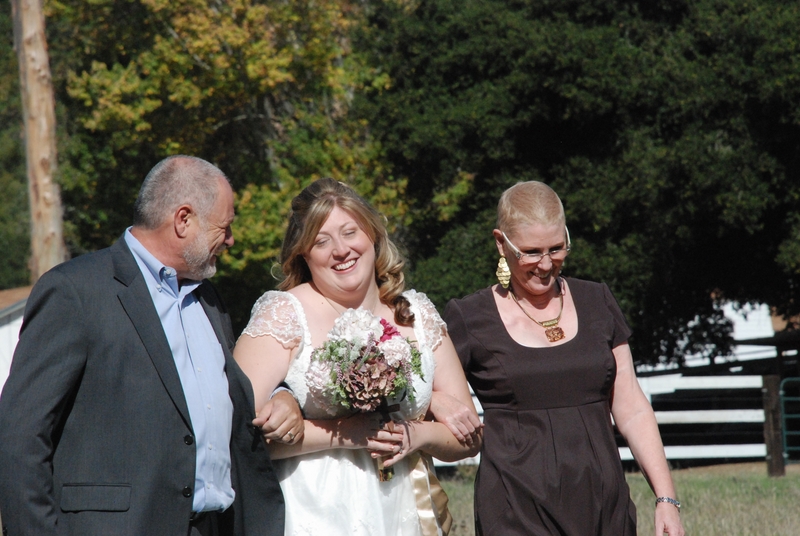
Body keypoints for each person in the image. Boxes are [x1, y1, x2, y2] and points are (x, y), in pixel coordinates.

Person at [0, 156, 303, 536]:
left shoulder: (207, 298)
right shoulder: (75, 291)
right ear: (183, 220)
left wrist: (282, 394)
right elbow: (19, 437)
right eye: (224, 227)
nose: (230, 240)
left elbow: (235, 389)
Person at [233, 178, 482, 536]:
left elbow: (469, 437)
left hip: (405, 512)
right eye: (321, 241)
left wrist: (418, 432)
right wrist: (344, 433)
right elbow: (238, 433)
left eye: (350, 232)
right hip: (314, 514)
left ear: (372, 233)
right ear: (303, 253)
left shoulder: (417, 313)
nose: (340, 250)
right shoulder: (285, 315)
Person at [443, 181, 685, 536]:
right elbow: (425, 388)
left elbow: (631, 405)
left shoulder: (597, 300)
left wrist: (666, 500)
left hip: (604, 503)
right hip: (514, 508)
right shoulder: (468, 316)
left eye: (557, 249)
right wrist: (438, 399)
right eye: (531, 251)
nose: (545, 264)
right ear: (500, 243)